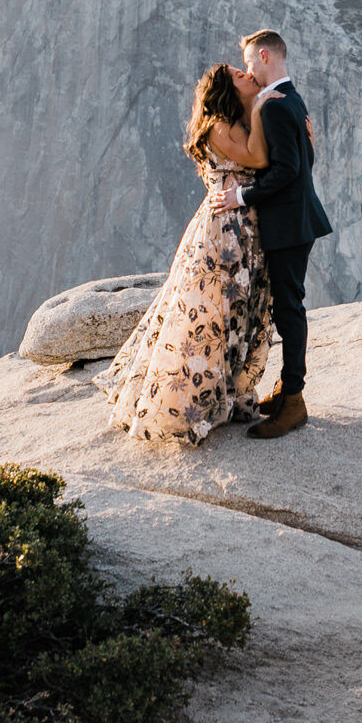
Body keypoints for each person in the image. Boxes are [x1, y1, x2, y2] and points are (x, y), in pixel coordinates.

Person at [100, 63, 277, 445]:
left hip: (243, 231)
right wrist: (262, 108)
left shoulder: (235, 120)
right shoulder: (219, 126)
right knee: (211, 316)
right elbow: (257, 159)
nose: (247, 74)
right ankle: (192, 404)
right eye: (238, 74)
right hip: (224, 235)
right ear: (228, 90)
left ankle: (227, 397)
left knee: (238, 313)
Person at [219, 27, 332, 440]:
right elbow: (304, 159)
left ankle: (295, 400)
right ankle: (287, 391)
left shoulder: (275, 106)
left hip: (289, 224)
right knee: (288, 307)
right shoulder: (291, 98)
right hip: (296, 220)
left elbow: (288, 171)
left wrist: (241, 195)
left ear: (264, 56)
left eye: (249, 62)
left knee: (289, 310)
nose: (248, 70)